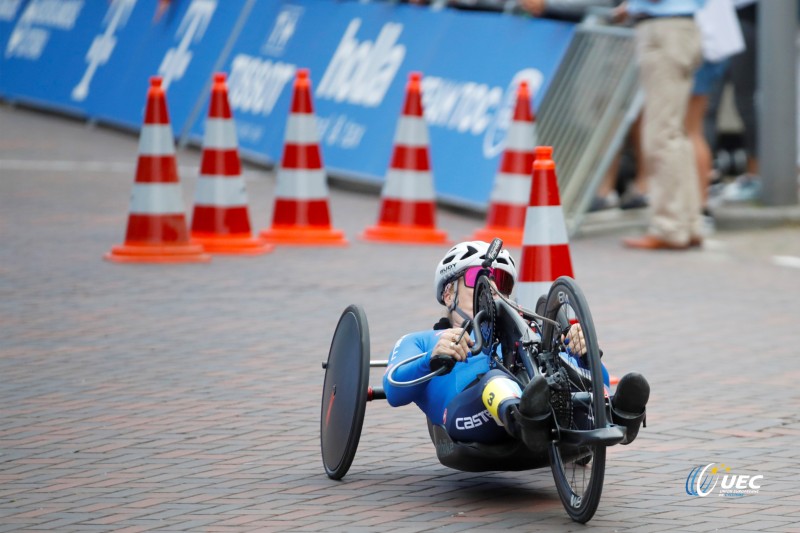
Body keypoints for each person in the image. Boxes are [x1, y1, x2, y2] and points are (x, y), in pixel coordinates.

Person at [383, 240, 650, 448]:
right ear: (448, 291)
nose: (492, 290)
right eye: (479, 279)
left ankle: (621, 414)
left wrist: (584, 354)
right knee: (495, 379)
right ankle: (524, 417)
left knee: (559, 371)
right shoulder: (421, 340)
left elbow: (595, 377)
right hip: (467, 413)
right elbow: (393, 390)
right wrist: (431, 356)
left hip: (539, 401)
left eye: (502, 282)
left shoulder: (528, 333)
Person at [619, 0, 707, 250]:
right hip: (676, 28)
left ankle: (669, 227)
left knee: (661, 134)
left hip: (665, 29)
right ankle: (687, 225)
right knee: (673, 133)